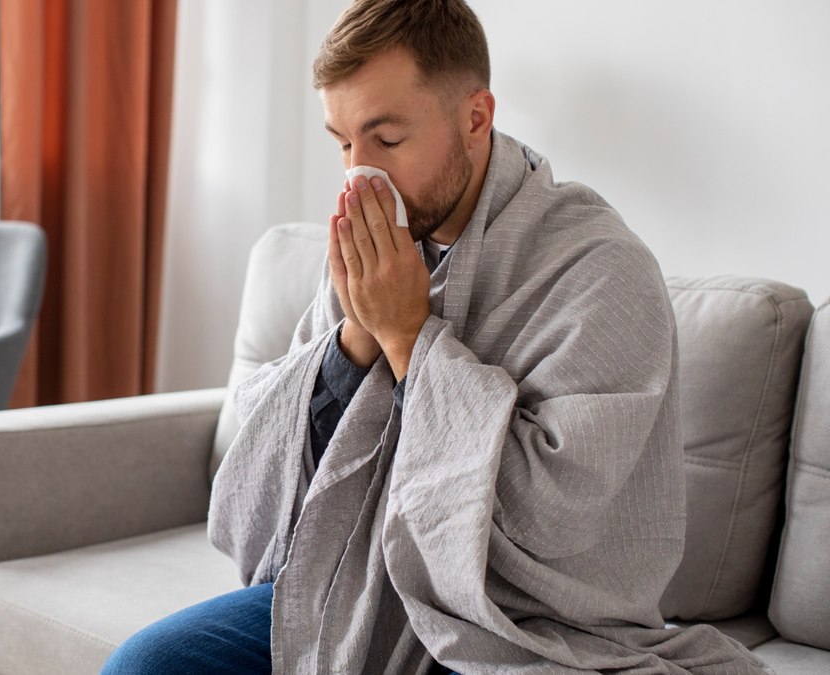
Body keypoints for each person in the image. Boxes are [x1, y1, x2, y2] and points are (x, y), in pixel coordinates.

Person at [104, 0, 769, 673]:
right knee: (147, 663)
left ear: (475, 118)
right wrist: (357, 338)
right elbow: (276, 461)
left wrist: (409, 336)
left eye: (386, 140)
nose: (357, 174)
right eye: (342, 141)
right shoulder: (373, 244)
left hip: (516, 622)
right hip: (360, 583)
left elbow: (552, 516)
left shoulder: (600, 269)